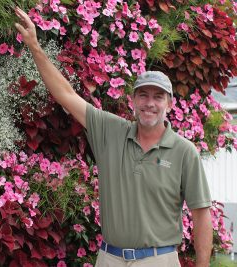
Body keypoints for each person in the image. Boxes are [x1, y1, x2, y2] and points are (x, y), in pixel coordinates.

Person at [13, 6, 213, 267]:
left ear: (170, 104)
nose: (149, 103)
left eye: (157, 96)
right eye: (143, 95)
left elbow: (201, 214)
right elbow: (66, 95)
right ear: (133, 100)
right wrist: (35, 46)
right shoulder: (110, 130)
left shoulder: (184, 151)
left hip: (158, 260)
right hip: (109, 258)